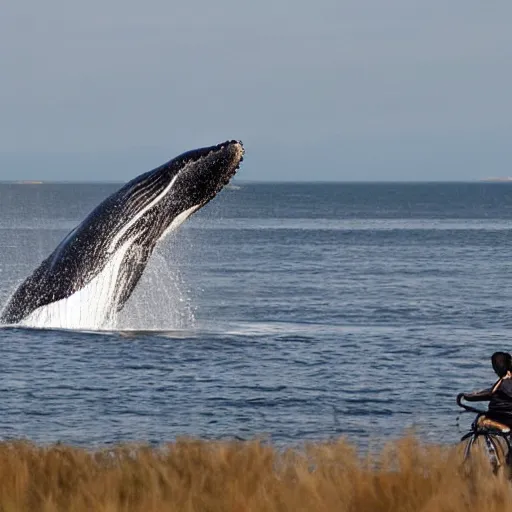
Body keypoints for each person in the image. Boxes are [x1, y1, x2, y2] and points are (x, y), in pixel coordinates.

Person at [463, 351, 512, 433]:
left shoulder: (501, 383)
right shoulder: (503, 382)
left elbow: (488, 394)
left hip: (499, 417)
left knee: (481, 420)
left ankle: (501, 427)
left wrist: (466, 396)